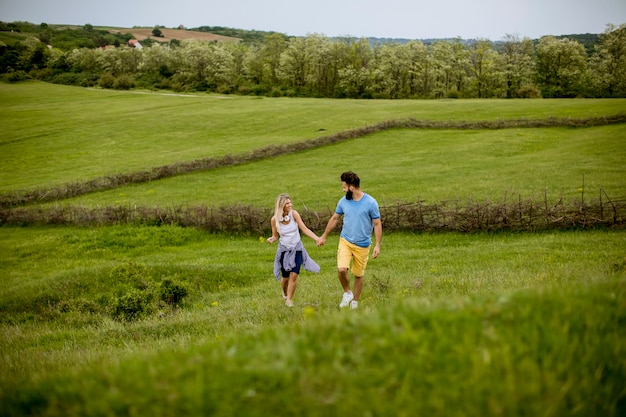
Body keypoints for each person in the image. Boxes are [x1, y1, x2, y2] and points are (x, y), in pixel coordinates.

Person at [317, 172, 382, 309]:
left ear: (352, 187)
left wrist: (377, 245)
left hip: (363, 245)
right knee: (341, 269)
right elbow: (335, 218)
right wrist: (324, 236)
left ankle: (355, 302)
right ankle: (347, 292)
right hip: (345, 241)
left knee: (358, 275)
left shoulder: (371, 203)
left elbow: (377, 224)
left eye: (344, 187)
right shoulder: (343, 201)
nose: (343, 189)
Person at [267, 193, 320, 307]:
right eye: (287, 203)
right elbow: (276, 235)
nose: (290, 204)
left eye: (290, 202)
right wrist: (272, 239)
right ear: (281, 205)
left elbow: (304, 229)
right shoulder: (274, 219)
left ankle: (289, 300)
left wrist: (317, 238)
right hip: (284, 251)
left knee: (294, 275)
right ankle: (285, 294)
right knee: (285, 278)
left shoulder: (294, 214)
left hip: (297, 249)